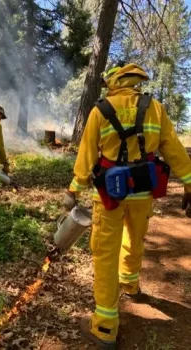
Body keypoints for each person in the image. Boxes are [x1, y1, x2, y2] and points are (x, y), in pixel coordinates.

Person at [64, 62, 191, 349]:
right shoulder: (155, 108)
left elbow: (86, 153)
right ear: (136, 81)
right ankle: (130, 285)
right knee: (135, 240)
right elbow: (173, 148)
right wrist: (189, 183)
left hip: (110, 195)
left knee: (105, 254)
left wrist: (75, 188)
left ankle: (106, 325)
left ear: (113, 81)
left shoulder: (101, 109)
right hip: (143, 192)